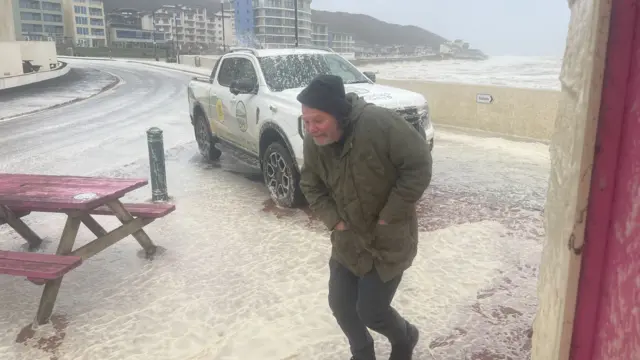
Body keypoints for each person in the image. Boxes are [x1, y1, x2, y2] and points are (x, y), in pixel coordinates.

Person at [297, 74, 433, 360]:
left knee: (372, 312)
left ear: (338, 114)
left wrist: (389, 216)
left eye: (318, 120)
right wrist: (335, 221)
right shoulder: (315, 142)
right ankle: (362, 352)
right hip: (347, 239)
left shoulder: (379, 124)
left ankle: (405, 337)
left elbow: (418, 164)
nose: (311, 129)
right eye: (306, 121)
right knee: (341, 306)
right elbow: (310, 184)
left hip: (386, 239)